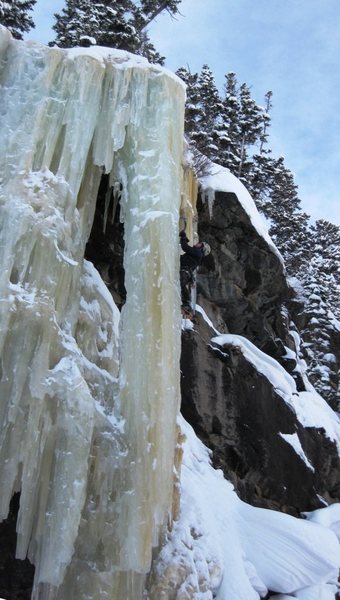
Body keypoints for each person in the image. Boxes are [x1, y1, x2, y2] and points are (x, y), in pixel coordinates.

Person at [179, 230, 211, 314]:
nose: (198, 243)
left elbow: (185, 248)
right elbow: (188, 249)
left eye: (200, 244)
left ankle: (187, 303)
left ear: (202, 248)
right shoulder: (196, 253)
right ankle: (186, 303)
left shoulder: (198, 253)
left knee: (181, 283)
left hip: (185, 272)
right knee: (180, 284)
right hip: (184, 271)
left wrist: (183, 237)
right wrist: (184, 239)